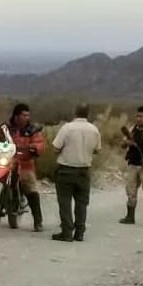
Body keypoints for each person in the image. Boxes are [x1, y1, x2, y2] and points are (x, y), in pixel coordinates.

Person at [0, 103, 46, 231]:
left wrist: (35, 147)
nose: (27, 117)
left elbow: (40, 143)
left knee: (30, 187)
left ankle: (38, 221)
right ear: (16, 116)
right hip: (4, 159)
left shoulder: (32, 130)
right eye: (24, 115)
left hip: (24, 163)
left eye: (28, 115)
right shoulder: (5, 128)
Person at [50, 103, 102, 241]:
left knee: (65, 202)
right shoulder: (94, 130)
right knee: (82, 203)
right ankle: (80, 232)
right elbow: (97, 150)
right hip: (84, 170)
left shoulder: (67, 128)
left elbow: (55, 147)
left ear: (75, 112)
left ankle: (67, 232)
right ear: (88, 114)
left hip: (66, 169)